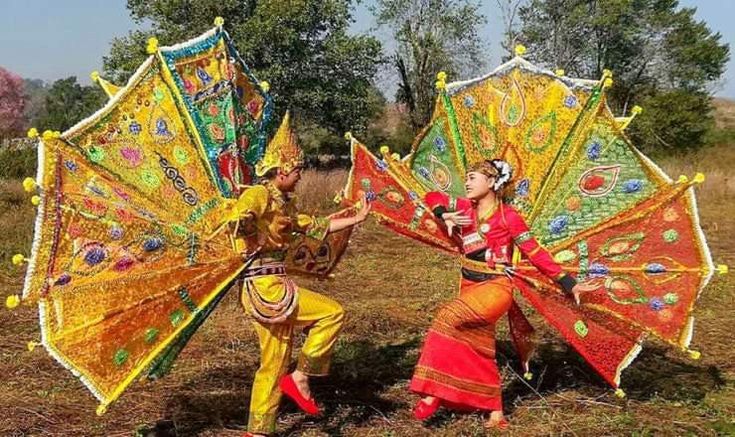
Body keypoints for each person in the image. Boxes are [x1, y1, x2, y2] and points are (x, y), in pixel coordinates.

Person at [221, 112, 370, 436]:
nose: (301, 175)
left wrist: (356, 218)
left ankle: (257, 431)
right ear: (282, 170)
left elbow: (317, 225)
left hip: (272, 283)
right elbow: (237, 218)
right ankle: (301, 377)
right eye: (298, 169)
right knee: (332, 313)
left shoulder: (284, 204)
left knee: (273, 362)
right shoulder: (258, 194)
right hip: (266, 287)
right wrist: (248, 232)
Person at [409, 159, 586, 429]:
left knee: (446, 317)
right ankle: (495, 412)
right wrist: (443, 213)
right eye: (466, 178)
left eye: (473, 177)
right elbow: (431, 195)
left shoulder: (508, 217)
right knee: (479, 347)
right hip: (469, 284)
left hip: (496, 286)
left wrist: (568, 283)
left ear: (491, 182)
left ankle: (433, 392)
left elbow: (534, 252)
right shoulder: (464, 208)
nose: (467, 182)